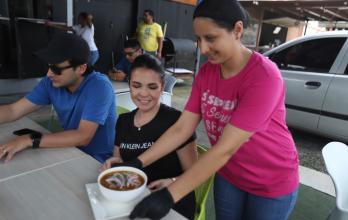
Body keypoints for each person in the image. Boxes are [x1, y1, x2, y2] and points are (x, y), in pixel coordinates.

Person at [115, 1, 300, 220]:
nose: (202, 48)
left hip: (271, 180)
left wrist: (170, 195)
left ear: (238, 30)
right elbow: (182, 129)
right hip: (229, 174)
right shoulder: (206, 73)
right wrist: (137, 163)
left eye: (210, 38)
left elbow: (225, 148)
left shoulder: (263, 76)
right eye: (198, 39)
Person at [101, 54, 197, 219]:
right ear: (129, 84)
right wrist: (114, 163)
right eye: (137, 85)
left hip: (171, 201)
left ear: (162, 86)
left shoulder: (178, 122)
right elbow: (121, 161)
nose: (143, 94)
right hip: (132, 198)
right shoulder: (123, 121)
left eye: (152, 87)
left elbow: (195, 173)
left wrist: (173, 182)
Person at [0, 33, 116, 163]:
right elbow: (13, 110)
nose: (49, 74)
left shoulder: (99, 87)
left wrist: (29, 140)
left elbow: (83, 136)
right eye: (49, 66)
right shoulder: (50, 82)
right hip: (67, 151)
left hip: (98, 161)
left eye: (56, 69)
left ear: (81, 68)